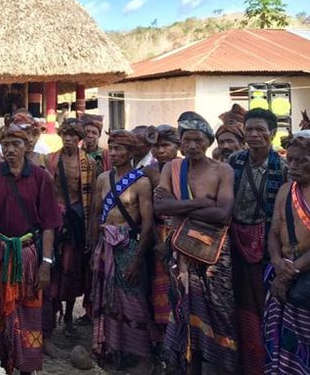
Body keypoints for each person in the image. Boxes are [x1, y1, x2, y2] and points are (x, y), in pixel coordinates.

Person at [154, 111, 237, 374]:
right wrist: (202, 203)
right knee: (183, 307)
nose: (192, 145)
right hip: (181, 251)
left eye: (197, 140)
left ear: (208, 141)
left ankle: (224, 365)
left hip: (214, 254)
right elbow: (159, 206)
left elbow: (223, 213)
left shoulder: (222, 170)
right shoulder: (172, 168)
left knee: (219, 309)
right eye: (186, 140)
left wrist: (180, 208)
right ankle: (189, 365)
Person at [0, 123, 61, 374]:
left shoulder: (40, 177)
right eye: (5, 144)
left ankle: (26, 367)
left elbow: (49, 223)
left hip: (28, 256)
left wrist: (45, 264)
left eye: (16, 144)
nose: (10, 149)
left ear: (27, 146)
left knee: (28, 309)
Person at [227, 109, 287, 375]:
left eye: (260, 129)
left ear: (272, 133)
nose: (253, 135)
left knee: (264, 305)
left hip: (266, 247)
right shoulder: (234, 161)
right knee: (236, 301)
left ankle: (264, 363)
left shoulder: (283, 168)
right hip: (234, 243)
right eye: (249, 129)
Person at [88, 130, 154, 374]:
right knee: (107, 299)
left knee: (132, 301)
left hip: (129, 247)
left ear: (131, 152)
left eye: (119, 149)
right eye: (111, 148)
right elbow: (95, 215)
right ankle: (112, 350)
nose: (113, 153)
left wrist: (137, 261)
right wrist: (93, 246)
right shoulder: (103, 178)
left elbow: (147, 224)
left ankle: (141, 357)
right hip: (104, 246)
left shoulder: (141, 182)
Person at [263, 133, 310, 375]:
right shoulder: (285, 190)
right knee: (283, 340)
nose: (292, 166)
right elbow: (273, 231)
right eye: (290, 160)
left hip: (303, 279)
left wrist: (289, 272)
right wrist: (276, 262)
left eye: (300, 161)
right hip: (283, 271)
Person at [45, 118, 96, 341]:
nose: (68, 139)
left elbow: (93, 198)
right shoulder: (50, 160)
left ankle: (68, 316)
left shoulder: (89, 163)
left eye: (72, 136)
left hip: (78, 219)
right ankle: (51, 314)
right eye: (64, 135)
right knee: (53, 267)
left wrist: (91, 229)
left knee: (72, 268)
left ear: (79, 139)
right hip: (56, 220)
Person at [145, 125, 180, 341]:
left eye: (165, 145)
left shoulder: (185, 169)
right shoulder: (148, 172)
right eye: (156, 146)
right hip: (156, 232)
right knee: (155, 286)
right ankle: (159, 341)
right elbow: (148, 212)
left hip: (180, 232)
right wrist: (158, 242)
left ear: (177, 146)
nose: (160, 151)